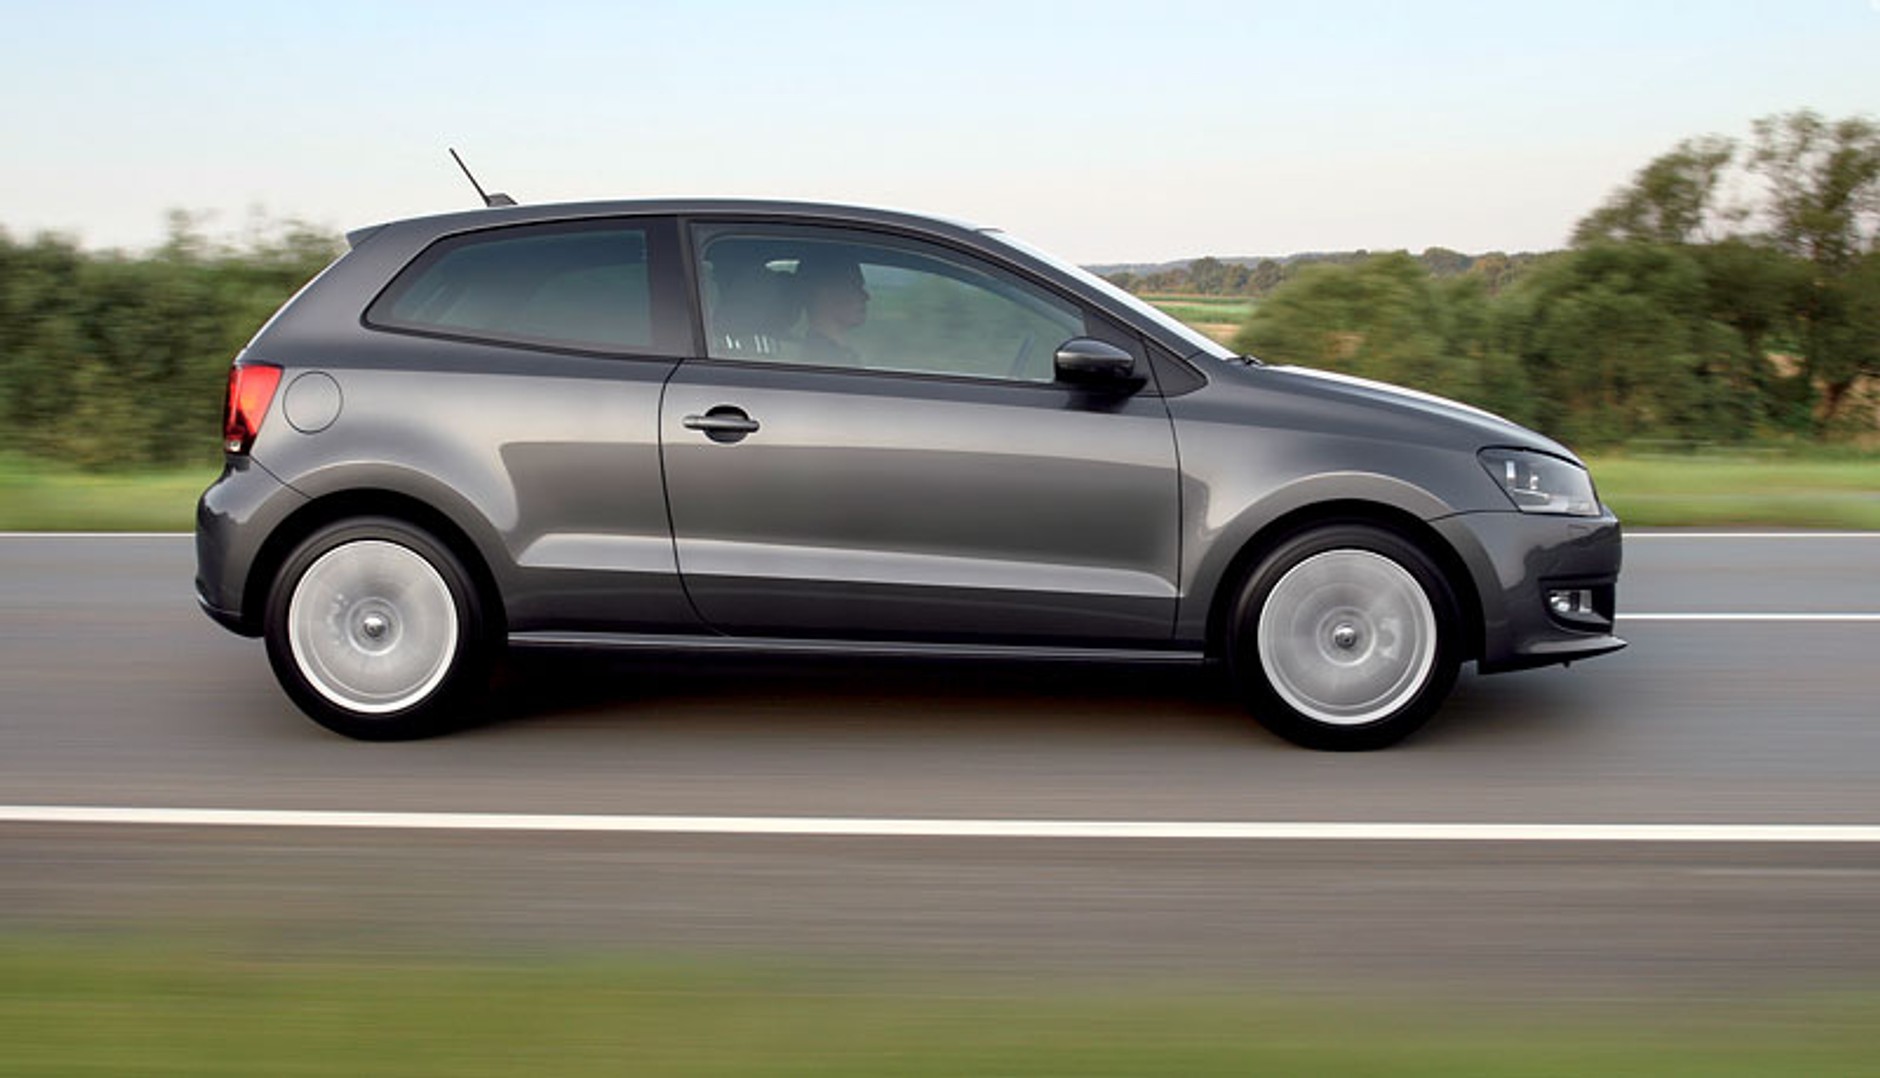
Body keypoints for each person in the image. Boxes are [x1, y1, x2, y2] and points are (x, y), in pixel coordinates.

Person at [793, 250, 869, 365]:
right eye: (855, 286)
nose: (866, 296)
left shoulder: (828, 356)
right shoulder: (825, 362)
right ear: (824, 294)